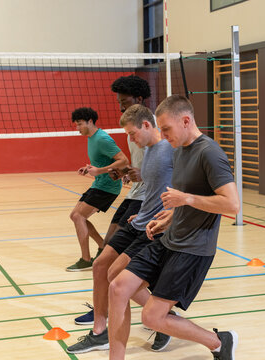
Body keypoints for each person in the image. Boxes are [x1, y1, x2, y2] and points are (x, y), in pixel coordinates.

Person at [107, 95, 240, 360]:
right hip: (168, 240)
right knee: (118, 285)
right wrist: (167, 217)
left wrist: (186, 199)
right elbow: (183, 199)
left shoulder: (210, 153)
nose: (163, 134)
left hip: (192, 249)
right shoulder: (179, 150)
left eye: (166, 128)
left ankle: (219, 342)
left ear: (186, 121)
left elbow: (232, 204)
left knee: (152, 317)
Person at [67, 104, 176, 354]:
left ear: (147, 125)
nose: (130, 139)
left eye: (132, 133)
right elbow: (152, 181)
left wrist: (169, 214)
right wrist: (133, 175)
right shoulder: (148, 149)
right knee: (100, 265)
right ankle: (100, 331)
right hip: (139, 216)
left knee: (119, 279)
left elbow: (182, 186)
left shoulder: (170, 149)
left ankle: (162, 319)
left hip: (153, 225)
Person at [73, 75, 152, 324]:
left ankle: (160, 315)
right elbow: (134, 164)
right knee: (105, 261)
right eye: (118, 101)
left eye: (124, 101)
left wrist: (137, 173)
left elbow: (162, 168)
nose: (120, 106)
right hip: (133, 195)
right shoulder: (131, 131)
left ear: (138, 100)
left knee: (112, 264)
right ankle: (102, 312)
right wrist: (124, 172)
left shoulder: (151, 129)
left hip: (145, 202)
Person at [67, 107, 129, 271]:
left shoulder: (102, 139)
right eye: (76, 125)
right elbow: (103, 162)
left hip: (108, 186)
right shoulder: (92, 138)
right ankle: (102, 247)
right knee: (76, 216)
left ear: (90, 121)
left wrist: (99, 171)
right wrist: (90, 168)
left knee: (78, 216)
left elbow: (123, 161)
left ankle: (86, 259)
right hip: (99, 184)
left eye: (79, 124)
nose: (77, 128)